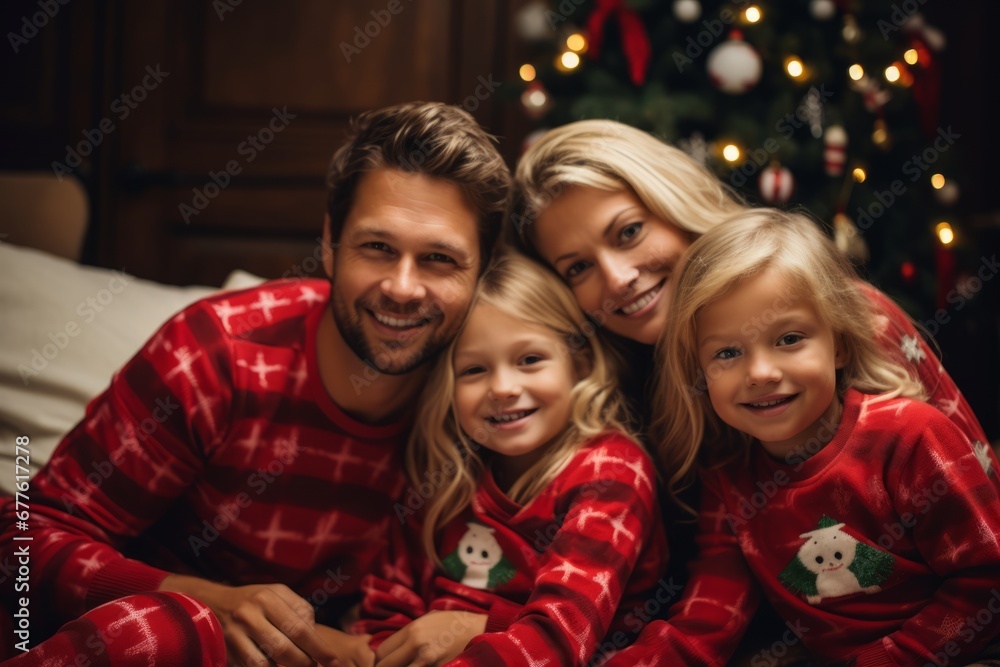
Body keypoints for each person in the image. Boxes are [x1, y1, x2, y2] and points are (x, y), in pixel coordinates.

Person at [0, 101, 510, 666]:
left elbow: (571, 579)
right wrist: (206, 602)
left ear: (482, 273)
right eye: (377, 248)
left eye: (440, 259)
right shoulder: (216, 355)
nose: (403, 287)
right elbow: (22, 540)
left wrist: (482, 624)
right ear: (329, 244)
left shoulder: (493, 398)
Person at [603, 209, 1000, 665]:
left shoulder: (910, 436)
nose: (760, 373)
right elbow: (711, 613)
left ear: (840, 344)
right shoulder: (729, 479)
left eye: (789, 339)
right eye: (728, 353)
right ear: (699, 371)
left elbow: (987, 578)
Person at [506, 119, 989, 452]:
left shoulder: (846, 313)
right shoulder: (606, 390)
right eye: (577, 268)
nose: (618, 278)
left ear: (677, 207)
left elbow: (979, 507)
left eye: (629, 232)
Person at [353, 253, 670, 666]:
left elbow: (560, 636)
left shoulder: (611, 471)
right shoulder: (449, 472)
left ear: (580, 363)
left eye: (530, 360)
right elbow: (385, 600)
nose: (502, 387)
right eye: (473, 370)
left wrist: (485, 627)